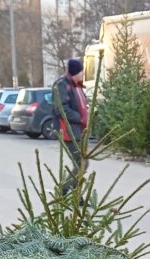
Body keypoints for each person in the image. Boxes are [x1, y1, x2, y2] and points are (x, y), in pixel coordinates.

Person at [53, 58, 89, 195]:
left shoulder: (76, 85)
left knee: (83, 164)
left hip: (79, 131)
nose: (82, 74)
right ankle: (63, 190)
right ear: (75, 72)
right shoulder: (63, 85)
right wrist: (80, 117)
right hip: (68, 132)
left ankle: (76, 195)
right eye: (81, 71)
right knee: (81, 164)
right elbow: (61, 108)